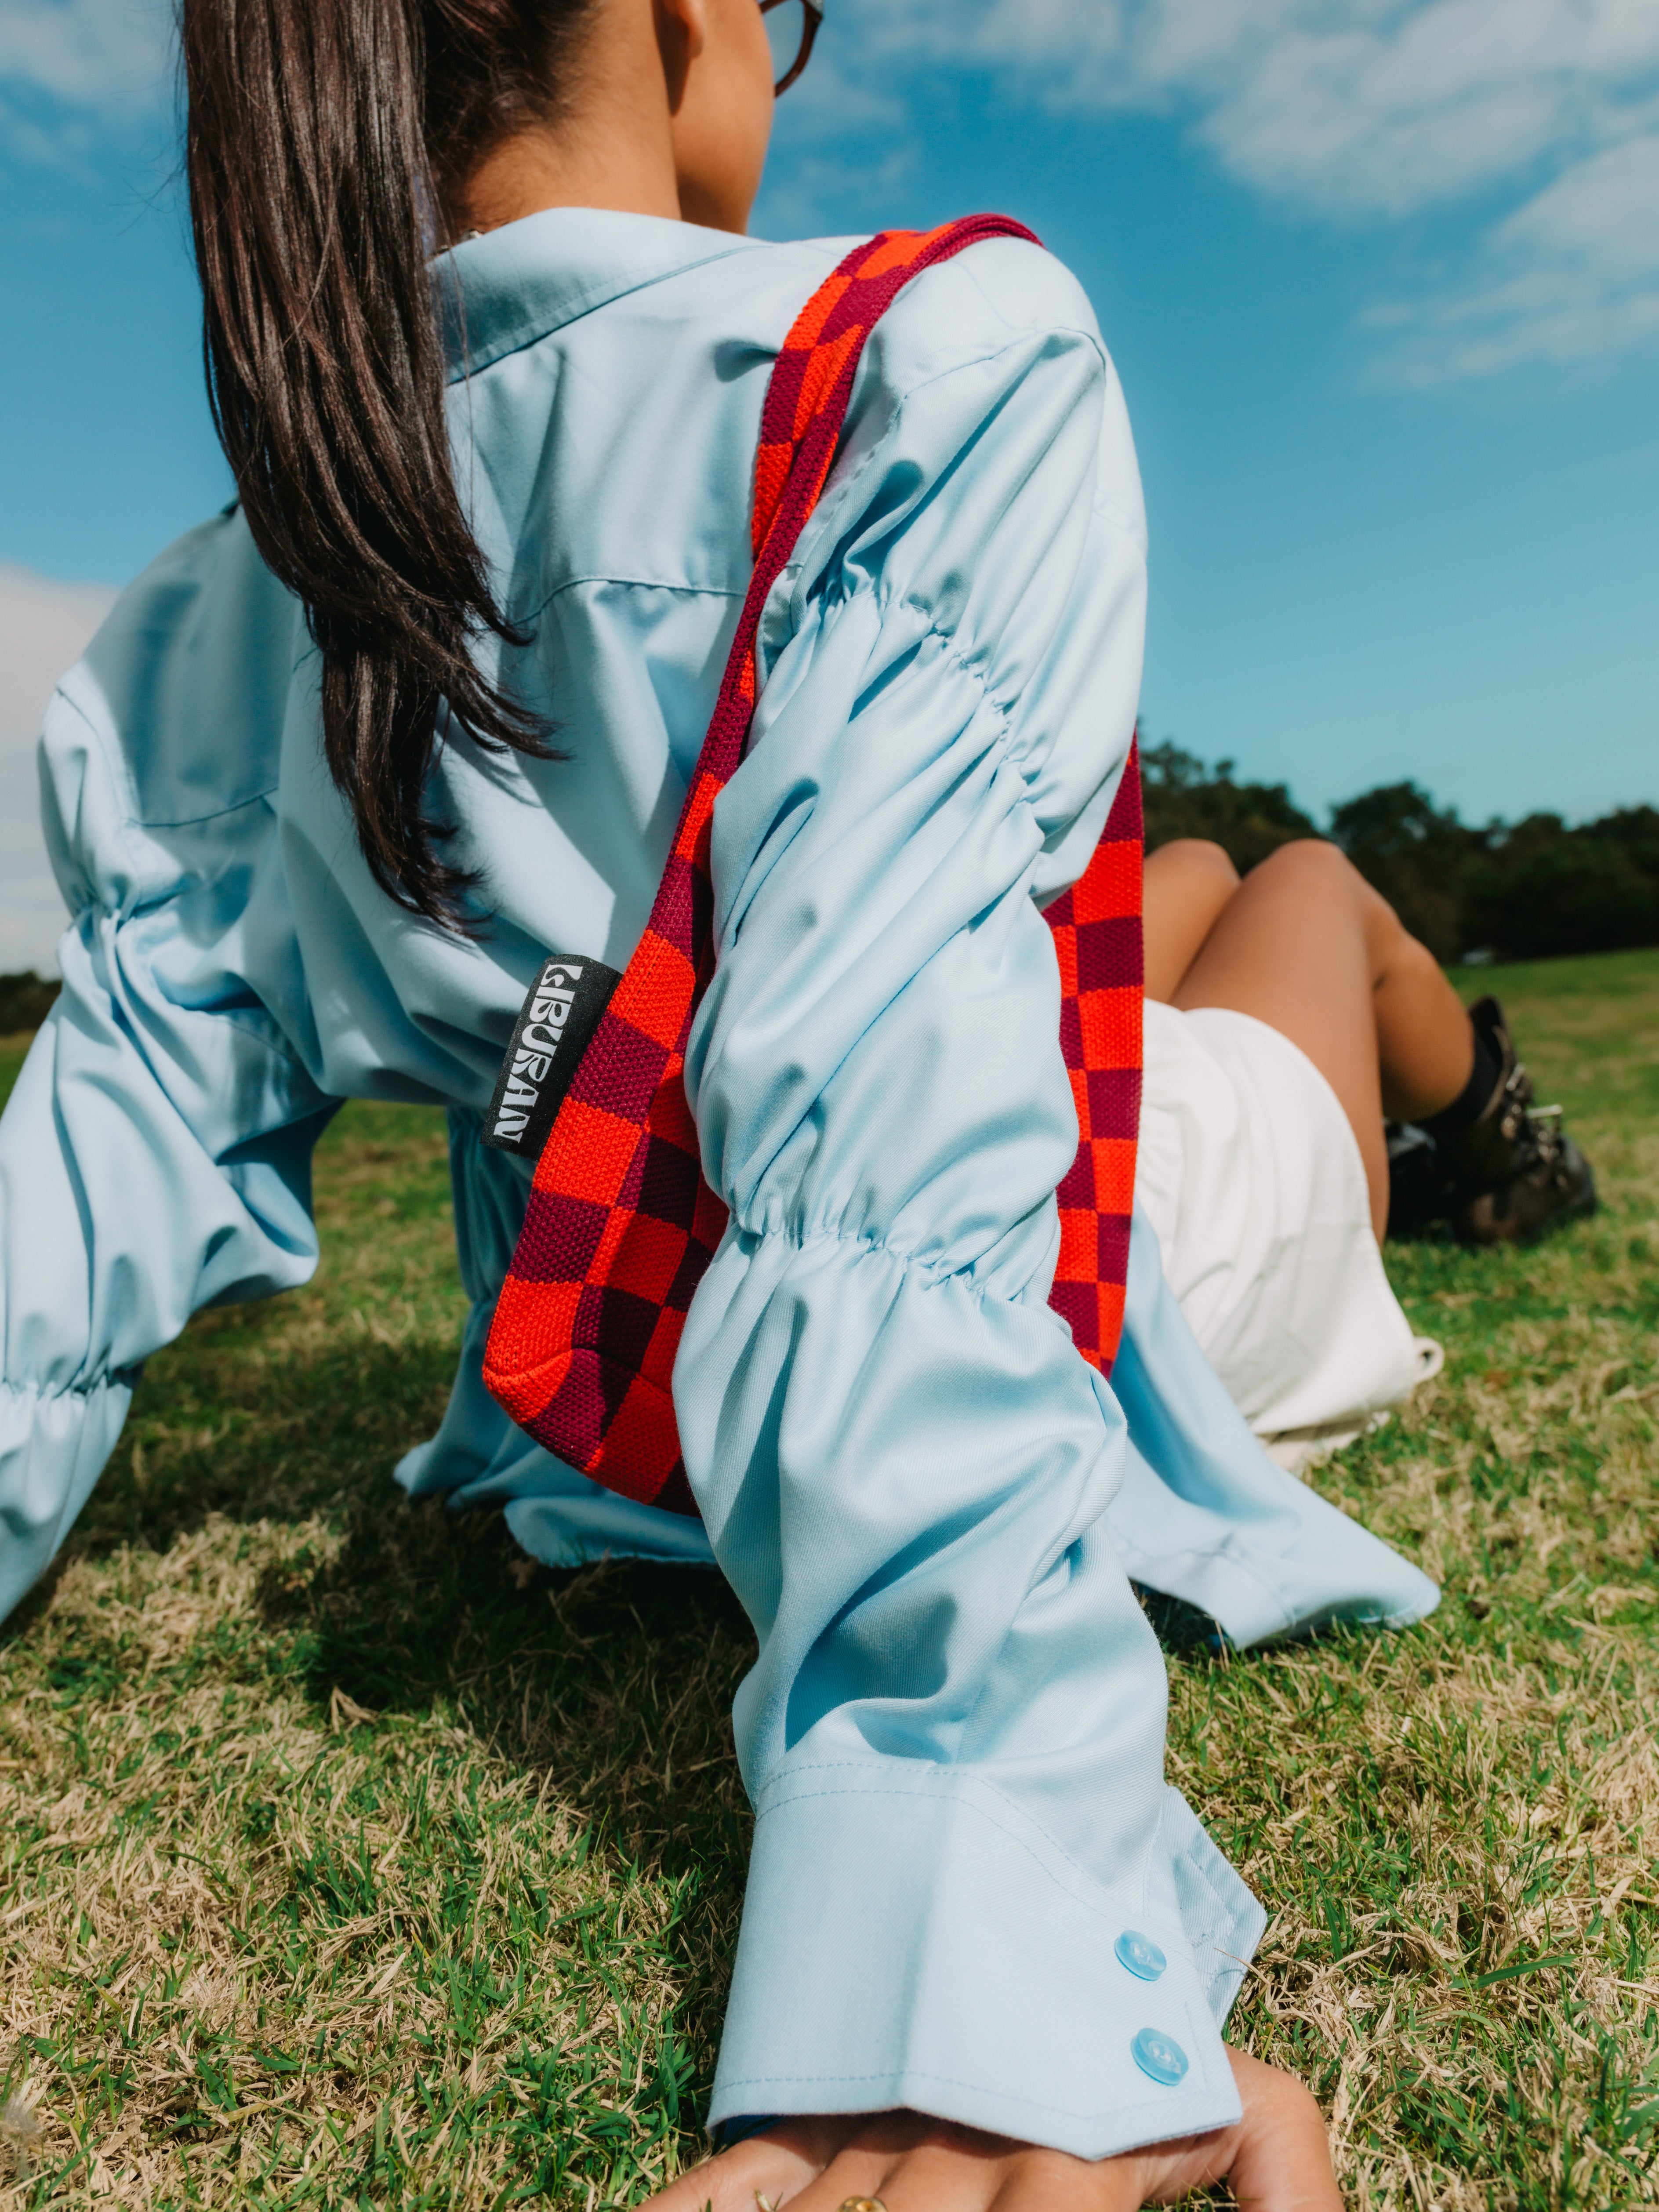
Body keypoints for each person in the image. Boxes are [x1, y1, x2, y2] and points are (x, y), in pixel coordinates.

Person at [0, 0, 1452, 2199]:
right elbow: (875, 1169)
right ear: (682, 15)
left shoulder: (223, 621)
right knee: (1312, 896)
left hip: (624, 1427)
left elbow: (54, 1250)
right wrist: (972, 1895)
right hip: (1101, 1257)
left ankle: (1407, 1054)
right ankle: (1475, 1112)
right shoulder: (920, 357)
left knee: (1166, 888)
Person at [1133, 836, 1595, 1464]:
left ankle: (1442, 1144)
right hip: (1120, 1299)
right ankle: (1512, 1157)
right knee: (1313, 873)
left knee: (1197, 866)